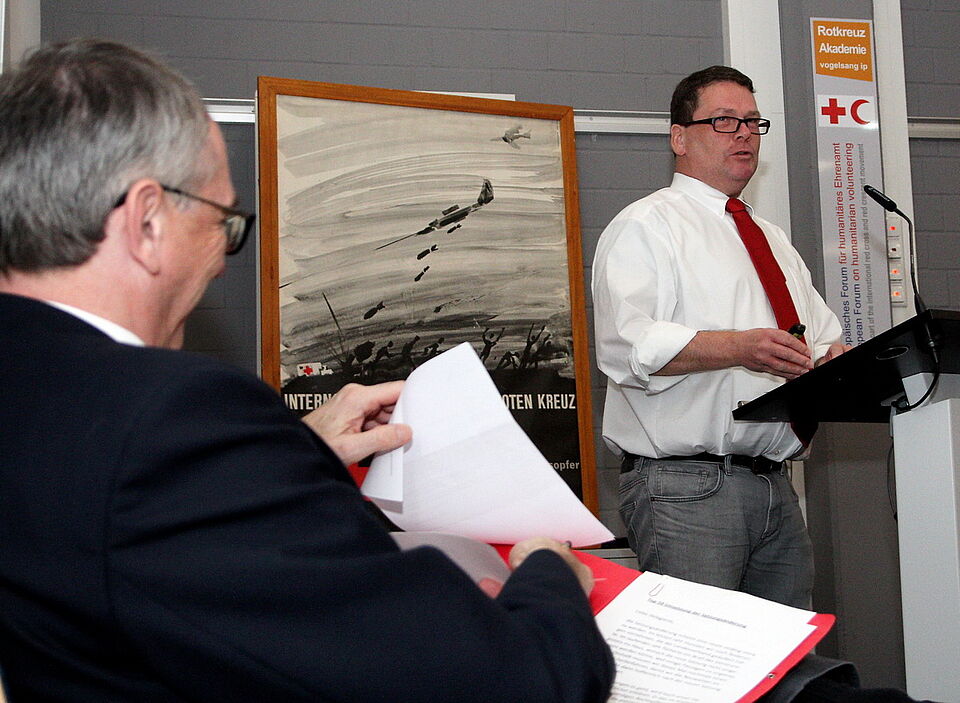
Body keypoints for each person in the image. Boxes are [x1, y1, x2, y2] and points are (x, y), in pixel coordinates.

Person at [0, 39, 614, 702]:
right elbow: (512, 682)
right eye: (223, 223)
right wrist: (552, 577)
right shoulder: (171, 422)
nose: (222, 261)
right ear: (147, 221)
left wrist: (290, 453)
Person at [592, 65, 850, 610]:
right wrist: (738, 347)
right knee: (699, 653)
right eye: (725, 121)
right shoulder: (646, 225)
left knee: (787, 656)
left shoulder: (771, 238)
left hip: (776, 484)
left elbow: (823, 339)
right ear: (679, 138)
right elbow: (626, 346)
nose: (744, 134)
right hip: (687, 488)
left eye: (753, 122)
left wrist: (837, 363)